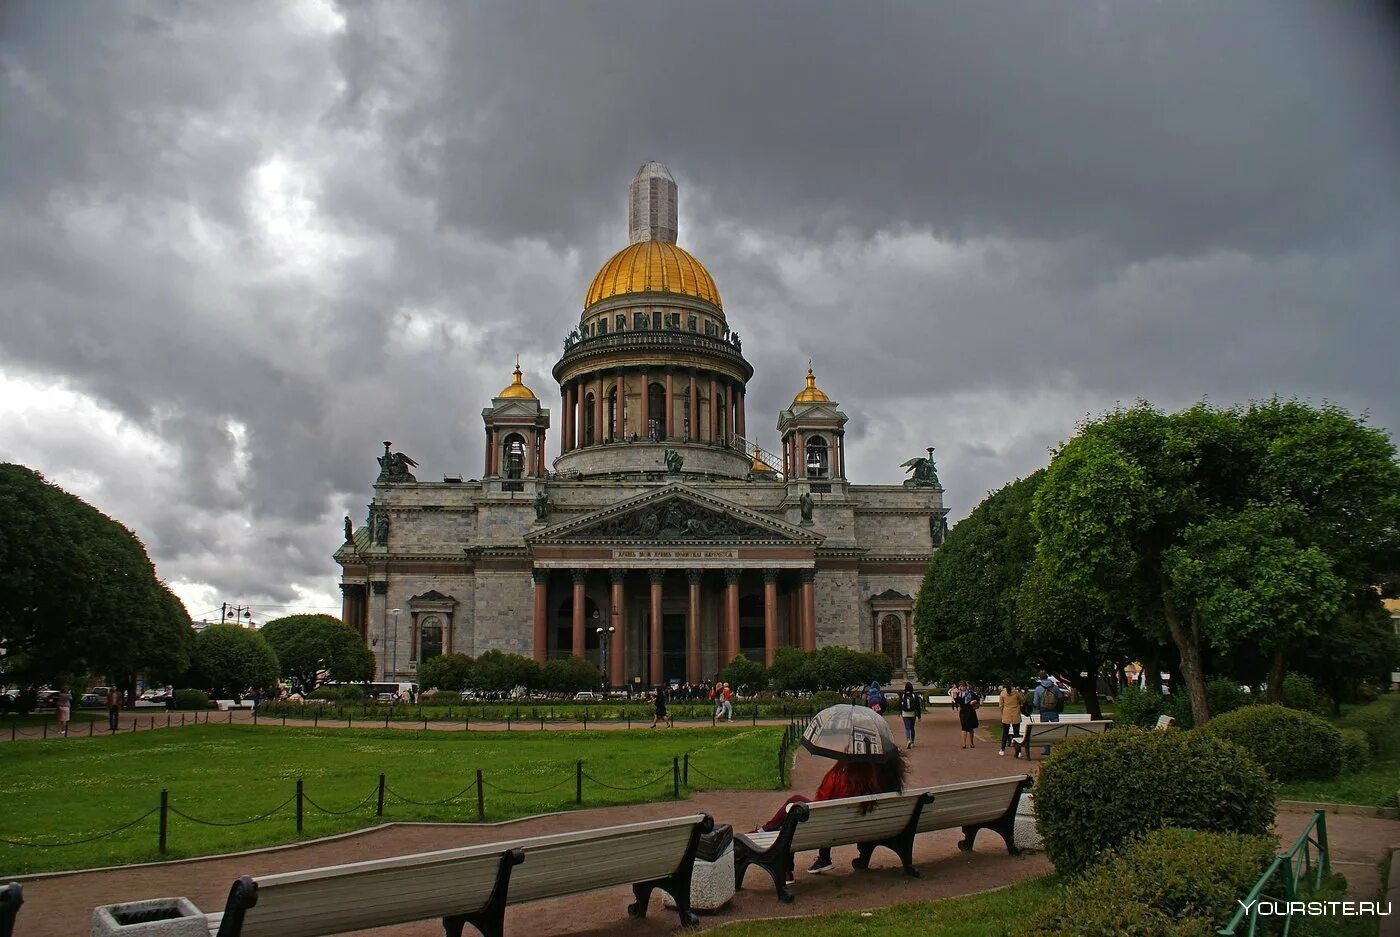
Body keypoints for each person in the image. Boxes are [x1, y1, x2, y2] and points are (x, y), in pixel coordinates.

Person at [756, 755, 903, 881]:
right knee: (824, 814)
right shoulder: (875, 781)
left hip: (825, 826)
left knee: (795, 805)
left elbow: (820, 804)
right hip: (861, 828)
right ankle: (824, 858)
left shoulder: (838, 776)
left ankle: (766, 832)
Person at [1033, 671, 1063, 755]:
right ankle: (1056, 747)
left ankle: (1047, 749)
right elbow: (1060, 697)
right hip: (1054, 710)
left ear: (1040, 678)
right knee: (1055, 729)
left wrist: (1038, 707)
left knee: (1045, 730)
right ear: (1047, 676)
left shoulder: (1038, 688)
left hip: (1044, 711)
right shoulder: (1055, 687)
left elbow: (1035, 702)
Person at [998, 683, 1023, 756]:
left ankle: (1002, 749)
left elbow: (1001, 705)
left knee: (1005, 733)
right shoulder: (1016, 693)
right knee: (1016, 733)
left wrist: (1002, 713)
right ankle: (1018, 751)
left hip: (1006, 713)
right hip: (1016, 713)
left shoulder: (1003, 693)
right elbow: (1022, 700)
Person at [955, 682, 981, 749]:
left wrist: (974, 701)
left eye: (963, 686)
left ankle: (971, 743)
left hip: (971, 711)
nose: (962, 687)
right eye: (961, 686)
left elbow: (977, 699)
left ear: (966, 686)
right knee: (964, 727)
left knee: (971, 728)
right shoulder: (959, 693)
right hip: (963, 712)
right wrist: (957, 696)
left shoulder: (970, 693)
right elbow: (957, 701)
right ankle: (964, 744)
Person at [898, 682, 923, 748]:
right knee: (912, 728)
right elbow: (918, 706)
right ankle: (912, 742)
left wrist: (901, 713)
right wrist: (919, 716)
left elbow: (899, 705)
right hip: (912, 713)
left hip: (905, 713)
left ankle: (908, 739)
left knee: (907, 728)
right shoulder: (914, 695)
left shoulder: (903, 695)